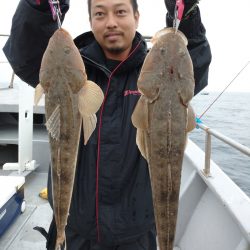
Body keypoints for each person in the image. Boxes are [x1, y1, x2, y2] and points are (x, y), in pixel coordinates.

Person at [3, 0, 211, 249]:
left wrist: (186, 16)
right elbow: (24, 55)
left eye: (120, 11)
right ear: (90, 21)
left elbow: (193, 66)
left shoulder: (153, 73)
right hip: (76, 230)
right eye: (100, 13)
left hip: (137, 235)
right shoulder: (74, 69)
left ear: (137, 16)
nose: (111, 21)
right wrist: (38, 6)